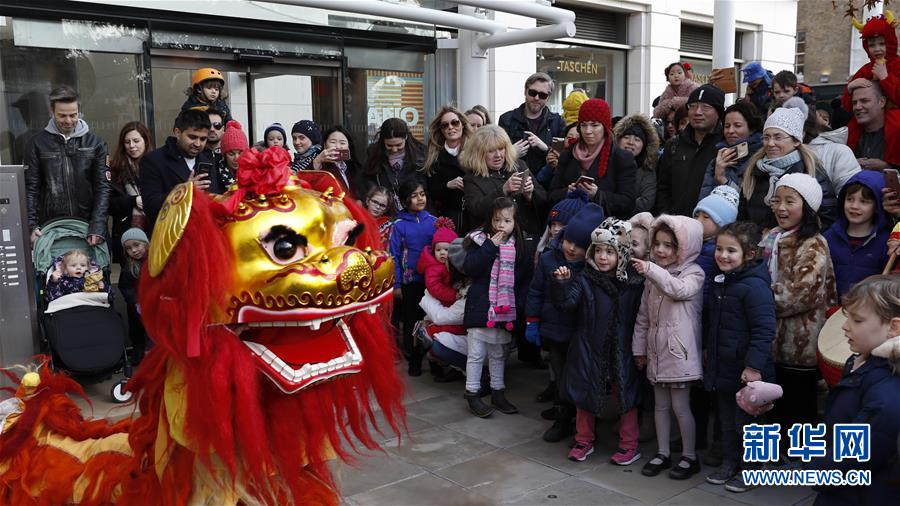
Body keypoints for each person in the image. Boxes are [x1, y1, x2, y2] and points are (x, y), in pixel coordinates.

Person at [553, 218, 645, 465]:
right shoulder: (585, 278)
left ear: (622, 253)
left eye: (610, 251)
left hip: (622, 348)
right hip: (588, 347)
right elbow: (568, 304)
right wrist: (562, 285)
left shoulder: (633, 283)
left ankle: (629, 444)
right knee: (585, 394)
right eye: (598, 251)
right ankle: (583, 439)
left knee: (625, 394)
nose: (603, 257)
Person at [807, 275, 900, 505]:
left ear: (893, 326)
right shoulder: (861, 361)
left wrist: (817, 466)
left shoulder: (886, 393)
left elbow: (853, 458)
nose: (845, 326)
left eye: (857, 320)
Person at [760, 174, 837, 451]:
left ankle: (801, 453)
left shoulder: (814, 243)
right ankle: (779, 450)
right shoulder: (771, 238)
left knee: (799, 403)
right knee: (775, 400)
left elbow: (802, 293)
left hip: (800, 340)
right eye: (777, 200)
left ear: (806, 207)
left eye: (790, 201)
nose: (781, 207)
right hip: (771, 339)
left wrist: (758, 303)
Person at [702, 221, 776, 493]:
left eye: (731, 251)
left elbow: (764, 329)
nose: (722, 255)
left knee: (751, 423)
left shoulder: (754, 286)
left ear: (750, 254)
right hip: (724, 367)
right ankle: (731, 463)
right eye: (719, 249)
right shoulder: (722, 282)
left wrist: (754, 366)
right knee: (728, 421)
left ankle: (754, 470)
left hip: (748, 371)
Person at [632, 215, 705, 480]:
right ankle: (662, 453)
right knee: (660, 407)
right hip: (656, 353)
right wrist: (639, 349)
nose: (661, 250)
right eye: (657, 244)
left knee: (681, 408)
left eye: (669, 245)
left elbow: (679, 289)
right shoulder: (653, 277)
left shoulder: (694, 273)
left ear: (683, 248)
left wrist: (652, 270)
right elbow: (643, 317)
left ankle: (689, 456)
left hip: (679, 354)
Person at [526, 203, 603, 441]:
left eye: (580, 246)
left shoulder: (590, 270)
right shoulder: (549, 259)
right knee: (559, 377)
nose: (571, 248)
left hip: (578, 334)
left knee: (576, 378)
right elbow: (536, 291)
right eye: (570, 241)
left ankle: (579, 420)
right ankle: (562, 418)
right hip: (553, 330)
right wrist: (532, 321)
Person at [462, 197, 529, 417]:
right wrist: (491, 246)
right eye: (497, 220)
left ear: (515, 223)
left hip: (504, 309)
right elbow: (472, 267)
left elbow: (522, 280)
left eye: (507, 221)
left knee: (498, 353)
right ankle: (472, 393)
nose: (501, 225)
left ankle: (498, 392)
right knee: (476, 354)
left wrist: (516, 306)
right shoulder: (479, 241)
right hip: (480, 306)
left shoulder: (519, 247)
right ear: (490, 220)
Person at [25, 85, 110, 246]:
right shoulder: (36, 144)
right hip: (50, 228)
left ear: (79, 111)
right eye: (62, 116)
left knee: (94, 271)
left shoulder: (96, 143)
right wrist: (31, 225)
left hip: (89, 228)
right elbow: (31, 188)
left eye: (73, 115)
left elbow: (103, 188)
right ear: (51, 111)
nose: (68, 121)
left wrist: (98, 225)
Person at [738, 102, 837, 230]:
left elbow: (827, 217)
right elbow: (742, 216)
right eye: (766, 137)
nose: (770, 143)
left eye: (778, 137)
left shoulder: (811, 170)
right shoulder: (753, 170)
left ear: (796, 141)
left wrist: (795, 241)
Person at [548, 98, 637, 219]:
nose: (588, 131)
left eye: (595, 125)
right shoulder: (568, 154)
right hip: (569, 224)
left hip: (602, 229)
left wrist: (597, 195)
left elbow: (628, 203)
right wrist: (567, 192)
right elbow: (552, 194)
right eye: (584, 125)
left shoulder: (621, 158)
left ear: (605, 127)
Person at [139, 109, 220, 233]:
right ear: (178, 132)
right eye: (192, 137)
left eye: (203, 139)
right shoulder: (153, 161)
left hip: (203, 236)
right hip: (169, 239)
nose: (198, 144)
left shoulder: (208, 160)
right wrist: (185, 191)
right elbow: (151, 206)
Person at [461, 125, 547, 238]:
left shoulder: (519, 165)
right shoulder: (471, 178)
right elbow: (477, 210)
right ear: (479, 153)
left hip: (526, 237)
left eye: (501, 149)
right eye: (491, 151)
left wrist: (530, 195)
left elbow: (544, 201)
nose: (498, 155)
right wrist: (503, 190)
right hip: (493, 240)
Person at [655, 84, 725, 217]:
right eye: (692, 106)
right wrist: (666, 217)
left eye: (706, 107)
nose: (698, 112)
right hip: (675, 225)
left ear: (718, 113)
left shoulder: (725, 146)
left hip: (711, 227)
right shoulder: (674, 145)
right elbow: (663, 188)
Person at [390, 179, 436, 376]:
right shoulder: (398, 226)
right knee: (412, 321)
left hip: (432, 281)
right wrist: (397, 284)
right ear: (404, 200)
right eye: (414, 195)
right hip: (410, 283)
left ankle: (435, 361)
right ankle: (414, 359)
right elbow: (394, 256)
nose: (420, 199)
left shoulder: (434, 221)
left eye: (422, 194)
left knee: (432, 319)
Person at [824, 171, 892, 300]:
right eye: (849, 199)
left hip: (868, 312)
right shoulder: (829, 237)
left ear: (877, 206)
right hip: (830, 313)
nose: (854, 206)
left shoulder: (887, 243)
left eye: (864, 201)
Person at [498, 72, 566, 173]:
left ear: (548, 97)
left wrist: (546, 148)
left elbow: (563, 159)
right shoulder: (506, 119)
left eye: (542, 95)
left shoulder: (558, 122)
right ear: (525, 92)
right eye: (532, 93)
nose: (536, 98)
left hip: (546, 184)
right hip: (516, 180)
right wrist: (511, 153)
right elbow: (495, 154)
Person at [698, 100, 764, 200]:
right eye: (727, 126)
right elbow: (705, 198)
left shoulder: (760, 159)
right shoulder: (717, 160)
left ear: (752, 128)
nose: (730, 131)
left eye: (737, 126)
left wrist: (721, 178)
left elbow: (749, 203)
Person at [108, 121, 153, 264]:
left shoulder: (157, 165)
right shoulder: (116, 169)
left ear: (145, 141)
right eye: (127, 142)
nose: (132, 146)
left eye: (136, 141)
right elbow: (109, 204)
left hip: (154, 230)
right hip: (127, 234)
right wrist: (134, 200)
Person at [424, 107, 472, 234]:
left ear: (462, 125)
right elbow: (431, 191)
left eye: (455, 122)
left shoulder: (475, 152)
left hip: (474, 217)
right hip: (447, 218)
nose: (450, 127)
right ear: (441, 131)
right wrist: (447, 185)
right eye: (445, 125)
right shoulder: (434, 156)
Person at [363, 118, 425, 208]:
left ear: (406, 137)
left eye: (399, 145)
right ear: (383, 140)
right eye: (389, 145)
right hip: (385, 208)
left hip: (414, 207)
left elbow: (424, 182)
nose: (394, 150)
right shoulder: (373, 153)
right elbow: (367, 178)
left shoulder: (420, 153)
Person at [693, 185, 740, 300]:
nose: (698, 221)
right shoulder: (695, 241)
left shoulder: (715, 250)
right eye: (696, 215)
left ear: (722, 223)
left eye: (706, 217)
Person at [846, 78, 900, 168]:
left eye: (864, 101)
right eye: (854, 103)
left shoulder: (896, 133)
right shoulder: (849, 137)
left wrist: (888, 168)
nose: (857, 107)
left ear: (882, 102)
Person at [613, 113, 659, 214]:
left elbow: (646, 202)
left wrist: (616, 206)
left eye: (637, 139)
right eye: (626, 137)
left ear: (644, 146)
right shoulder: (608, 165)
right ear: (617, 140)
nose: (631, 142)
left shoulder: (646, 171)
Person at [118, 227, 151, 364]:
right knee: (137, 331)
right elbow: (125, 286)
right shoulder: (129, 268)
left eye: (137, 245)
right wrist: (135, 302)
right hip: (137, 306)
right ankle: (138, 355)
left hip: (155, 303)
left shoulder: (155, 261)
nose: (134, 250)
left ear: (145, 243)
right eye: (129, 248)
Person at [312, 125, 363, 199]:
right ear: (325, 145)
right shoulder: (320, 165)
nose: (338, 146)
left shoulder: (353, 168)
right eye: (333, 142)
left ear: (348, 146)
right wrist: (316, 163)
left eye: (342, 143)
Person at [203, 108, 235, 190]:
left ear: (223, 129)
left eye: (217, 125)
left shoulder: (233, 154)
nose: (212, 129)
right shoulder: (194, 155)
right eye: (208, 125)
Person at [364, 185, 396, 250]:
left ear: (386, 209)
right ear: (367, 201)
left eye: (382, 205)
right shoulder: (355, 220)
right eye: (375, 202)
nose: (378, 207)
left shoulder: (390, 228)